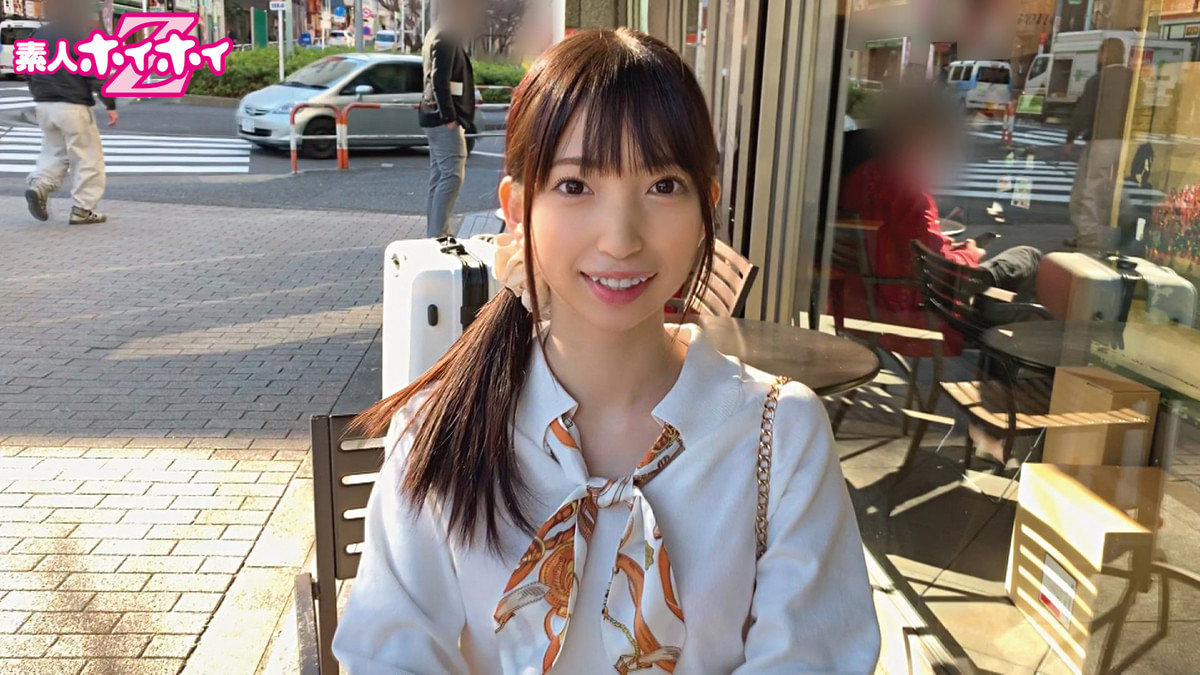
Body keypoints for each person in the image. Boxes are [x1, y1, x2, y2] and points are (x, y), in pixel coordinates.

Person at [332, 28, 879, 674]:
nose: (620, 239)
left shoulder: (780, 434)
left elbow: (812, 658)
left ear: (706, 209)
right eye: (575, 186)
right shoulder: (438, 429)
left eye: (663, 186)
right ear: (516, 209)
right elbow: (389, 655)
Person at [838, 84, 1042, 353]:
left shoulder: (860, 171)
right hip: (910, 308)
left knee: (1013, 272)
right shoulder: (906, 189)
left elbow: (907, 241)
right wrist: (970, 254)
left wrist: (943, 246)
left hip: (859, 298)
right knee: (1029, 258)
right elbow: (940, 272)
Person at [24, 0, 117, 226]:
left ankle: (40, 184)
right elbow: (95, 73)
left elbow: (28, 70)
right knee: (87, 157)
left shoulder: (37, 36)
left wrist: (39, 94)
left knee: (53, 152)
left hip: (44, 105)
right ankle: (83, 208)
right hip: (73, 105)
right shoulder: (78, 36)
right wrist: (110, 104)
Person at [1065, 37, 1133, 251]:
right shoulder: (1133, 79)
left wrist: (1070, 137)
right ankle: (1128, 216)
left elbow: (1084, 111)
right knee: (1111, 186)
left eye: (1100, 52)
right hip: (1125, 142)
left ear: (1105, 54)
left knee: (1088, 190)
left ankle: (1088, 237)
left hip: (1101, 141)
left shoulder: (1098, 80)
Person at [418, 2, 477, 238]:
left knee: (440, 176)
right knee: (451, 176)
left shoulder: (436, 32)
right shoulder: (445, 36)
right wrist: (449, 117)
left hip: (433, 116)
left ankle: (436, 233)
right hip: (443, 119)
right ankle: (438, 236)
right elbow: (439, 79)